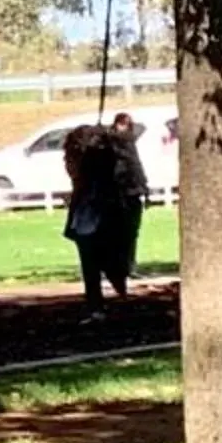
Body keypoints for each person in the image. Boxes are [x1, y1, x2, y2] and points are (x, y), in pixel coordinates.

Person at [61, 121, 122, 311]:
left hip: (96, 218)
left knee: (99, 263)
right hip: (85, 220)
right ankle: (96, 305)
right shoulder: (94, 164)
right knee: (91, 268)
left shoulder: (99, 164)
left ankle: (100, 302)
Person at [102, 111, 153, 297]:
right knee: (119, 233)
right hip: (119, 194)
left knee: (131, 232)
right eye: (122, 124)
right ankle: (118, 267)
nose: (125, 128)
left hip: (131, 194)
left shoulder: (127, 143)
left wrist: (144, 189)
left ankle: (128, 265)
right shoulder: (113, 146)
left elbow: (137, 166)